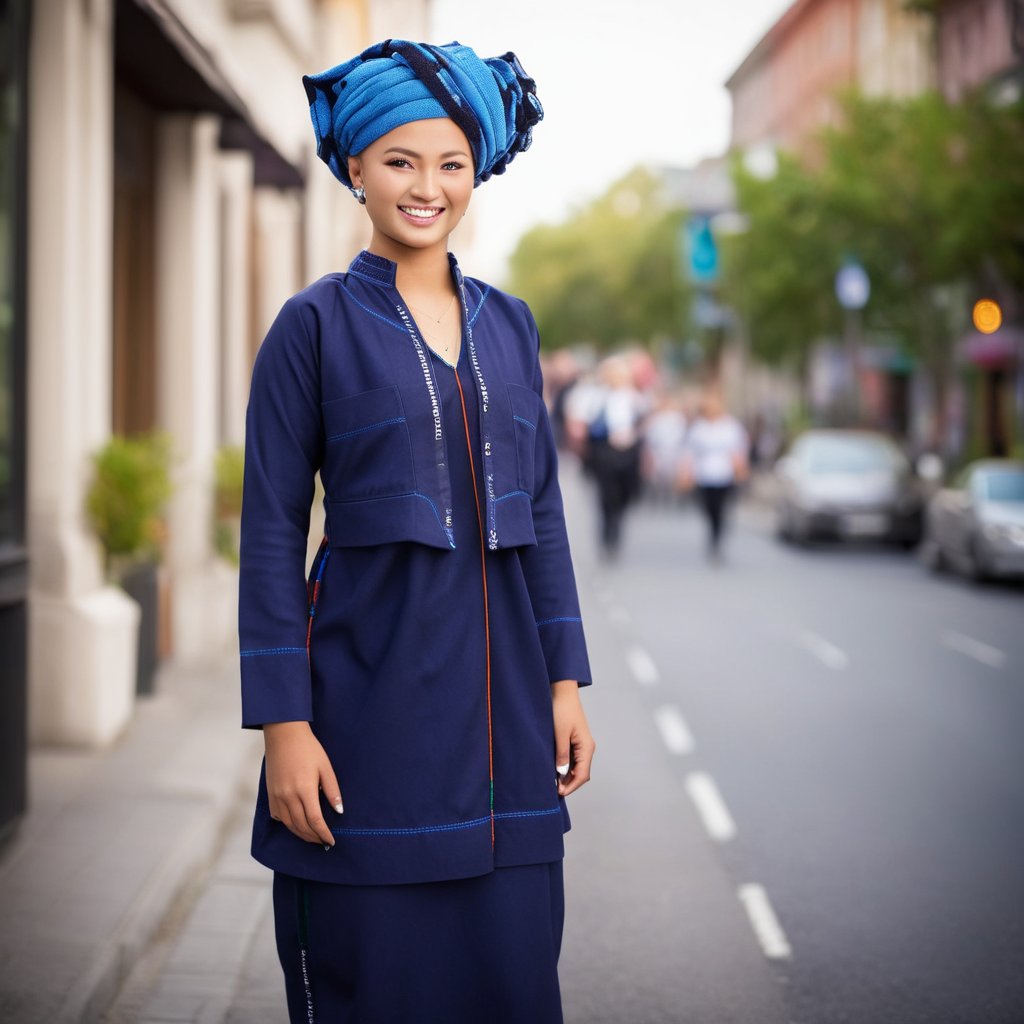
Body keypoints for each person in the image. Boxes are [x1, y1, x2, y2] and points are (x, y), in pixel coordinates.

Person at [238, 40, 595, 1024]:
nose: (427, 186)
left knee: (513, 989)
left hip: (509, 743)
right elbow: (270, 528)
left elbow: (546, 516)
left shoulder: (511, 324)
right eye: (400, 160)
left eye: (450, 163)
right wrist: (283, 726)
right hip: (363, 737)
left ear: (475, 171)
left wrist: (564, 680)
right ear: (355, 168)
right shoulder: (310, 328)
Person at [581, 355, 646, 559]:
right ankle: (608, 534)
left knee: (625, 492)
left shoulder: (634, 397)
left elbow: (644, 421)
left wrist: (632, 436)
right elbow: (587, 422)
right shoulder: (598, 396)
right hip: (604, 450)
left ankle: (617, 519)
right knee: (607, 494)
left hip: (628, 451)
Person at [680, 388, 749, 560]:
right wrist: (685, 473)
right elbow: (689, 452)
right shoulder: (699, 427)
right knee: (708, 509)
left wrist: (741, 471)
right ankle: (712, 533)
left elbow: (739, 451)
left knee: (721, 509)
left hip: (724, 476)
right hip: (704, 475)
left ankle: (717, 541)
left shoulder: (731, 426)